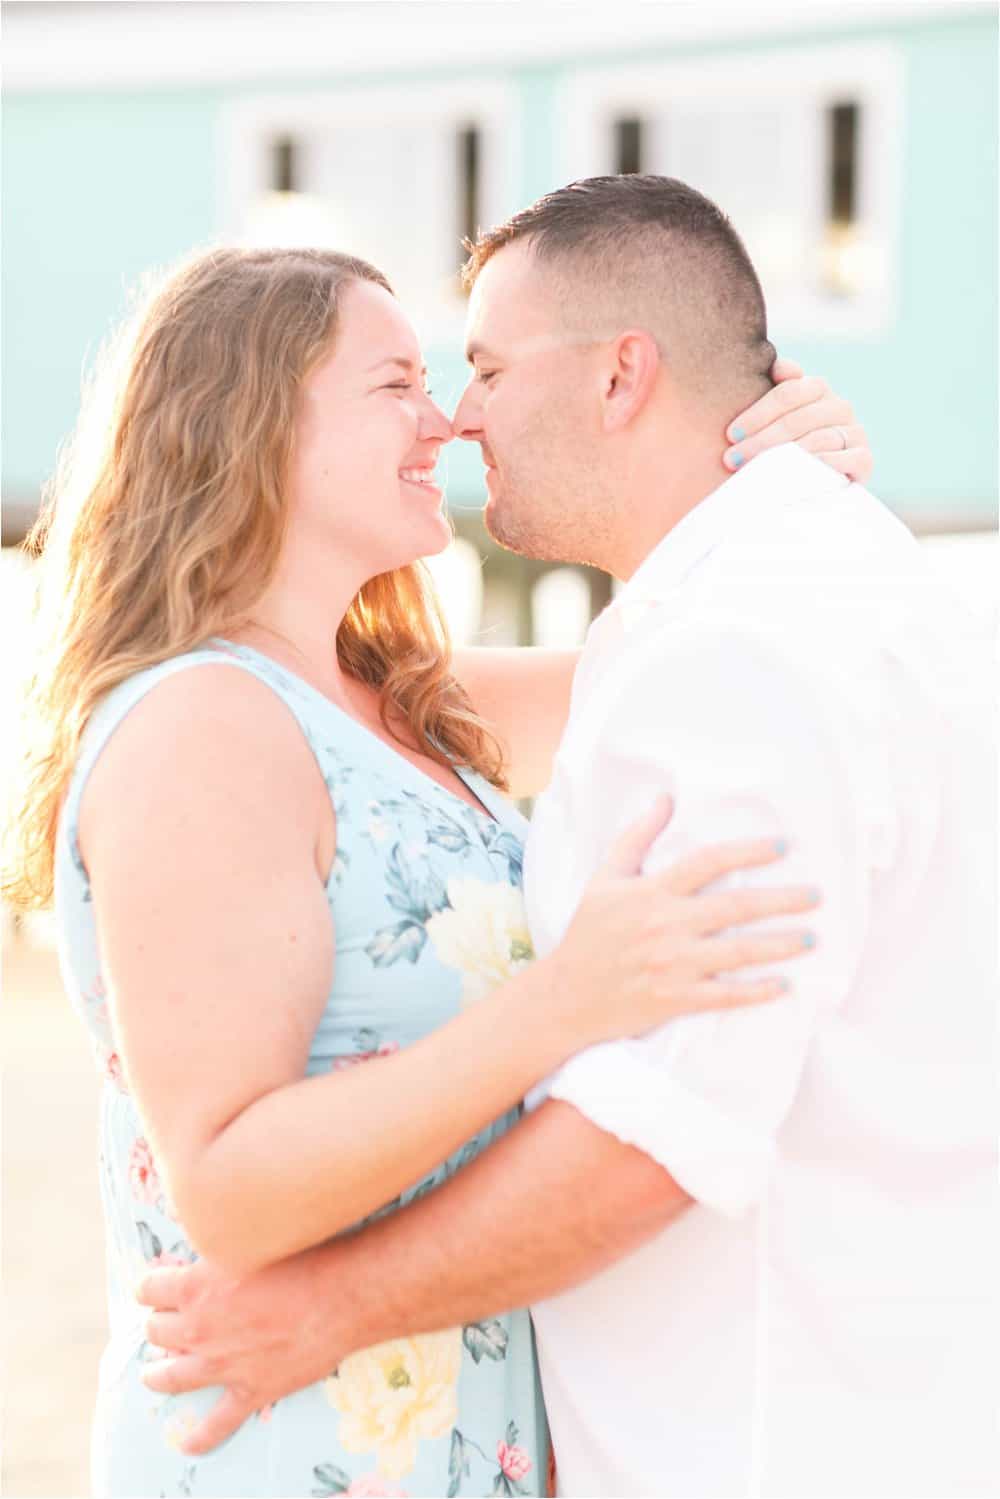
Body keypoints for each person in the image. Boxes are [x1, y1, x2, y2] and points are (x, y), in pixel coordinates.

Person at [137, 178, 996, 1499]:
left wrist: (320, 1311)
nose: (453, 417)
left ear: (618, 378)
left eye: (477, 367)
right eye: (406, 387)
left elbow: (657, 1133)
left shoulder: (738, 640)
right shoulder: (752, 606)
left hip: (762, 1440)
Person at [2, 242, 862, 1499]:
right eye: (396, 383)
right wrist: (564, 998)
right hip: (291, 1451)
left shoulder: (396, 703)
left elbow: (704, 658)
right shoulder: (201, 727)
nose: (449, 419)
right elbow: (232, 1187)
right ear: (250, 419)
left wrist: (779, 468)